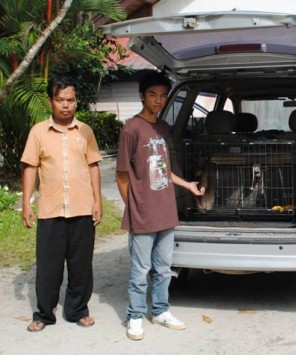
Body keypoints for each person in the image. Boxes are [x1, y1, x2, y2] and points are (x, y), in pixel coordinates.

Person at [116, 69, 205, 341]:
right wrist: (132, 205)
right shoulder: (132, 128)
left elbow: (163, 169)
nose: (158, 100)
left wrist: (186, 185)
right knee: (140, 269)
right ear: (141, 96)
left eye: (162, 96)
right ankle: (135, 315)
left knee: (164, 267)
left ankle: (161, 310)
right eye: (152, 95)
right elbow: (121, 174)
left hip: (166, 210)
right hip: (143, 212)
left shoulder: (163, 128)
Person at [21, 77, 103, 332]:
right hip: (51, 210)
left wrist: (98, 201)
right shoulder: (38, 132)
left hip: (82, 209)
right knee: (48, 266)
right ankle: (44, 313)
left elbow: (93, 167)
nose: (66, 105)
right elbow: (30, 167)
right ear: (51, 102)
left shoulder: (85, 132)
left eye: (70, 100)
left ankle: (77, 310)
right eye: (60, 100)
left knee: (81, 265)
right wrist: (26, 203)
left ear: (76, 101)